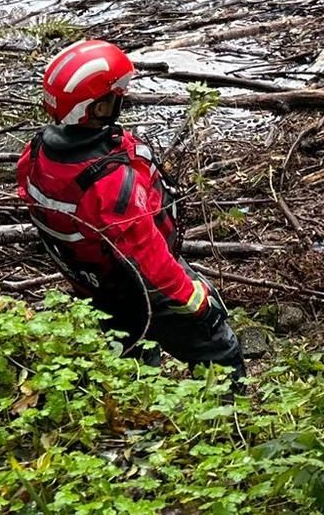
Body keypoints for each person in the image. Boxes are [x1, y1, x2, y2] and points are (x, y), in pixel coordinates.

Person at [16, 38, 245, 383]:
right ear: (95, 108)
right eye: (114, 97)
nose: (121, 100)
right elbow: (146, 256)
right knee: (217, 348)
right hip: (136, 285)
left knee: (130, 348)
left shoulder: (36, 153)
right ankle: (228, 423)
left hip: (93, 281)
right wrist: (195, 301)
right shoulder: (108, 184)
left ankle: (137, 403)